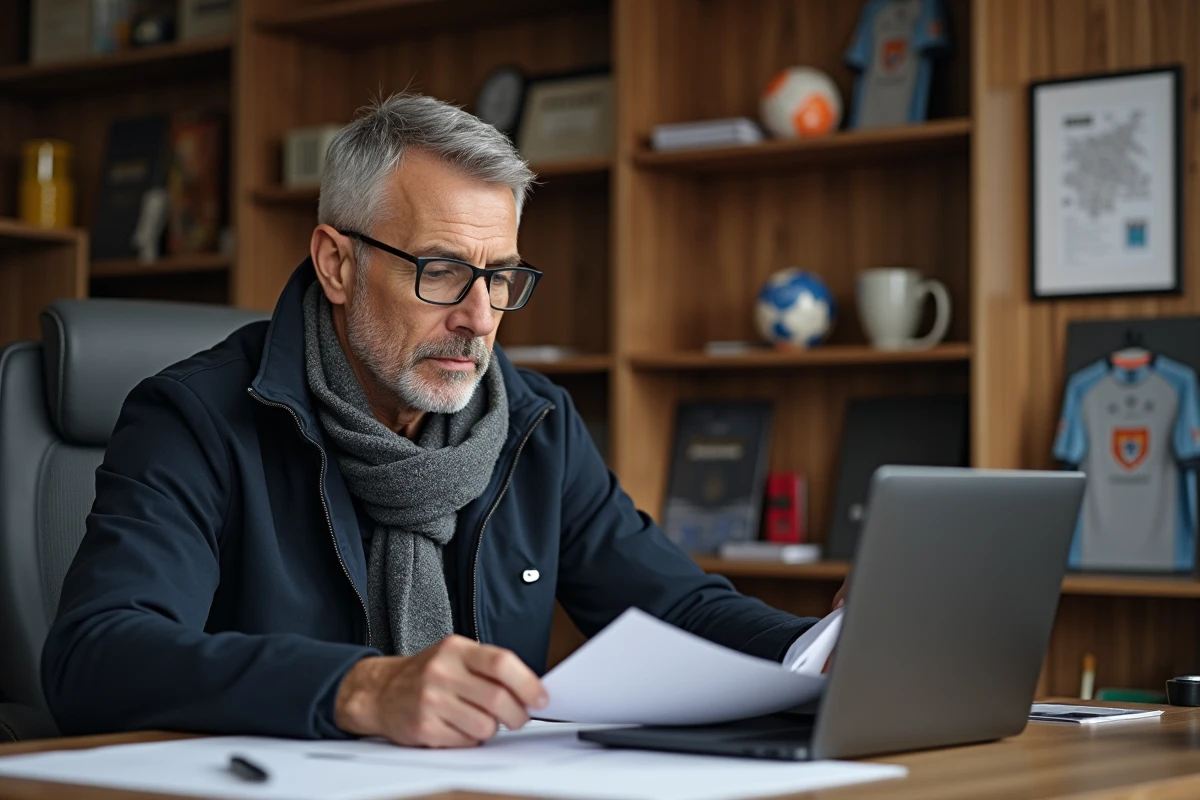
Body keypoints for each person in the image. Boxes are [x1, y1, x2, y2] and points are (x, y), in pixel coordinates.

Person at [42, 93, 819, 748]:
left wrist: (822, 650)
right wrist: (360, 689)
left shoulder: (534, 424)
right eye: (442, 271)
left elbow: (677, 608)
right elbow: (95, 654)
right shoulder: (196, 418)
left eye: (501, 277)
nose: (480, 318)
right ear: (337, 264)